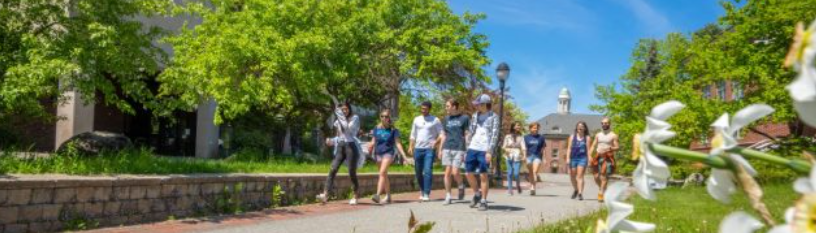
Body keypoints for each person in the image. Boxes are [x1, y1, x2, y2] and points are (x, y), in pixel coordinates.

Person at [317, 101, 362, 205]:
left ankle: (355, 195)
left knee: (351, 172)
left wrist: (341, 118)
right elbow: (340, 136)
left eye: (346, 109)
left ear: (349, 109)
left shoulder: (355, 118)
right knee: (333, 169)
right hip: (341, 146)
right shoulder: (338, 121)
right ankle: (325, 195)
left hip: (351, 146)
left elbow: (348, 130)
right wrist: (332, 141)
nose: (344, 111)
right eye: (342, 110)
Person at [465, 94, 500, 211]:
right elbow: (471, 131)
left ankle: (484, 201)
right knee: (468, 173)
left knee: (483, 175)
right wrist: (467, 147)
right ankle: (477, 194)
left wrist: (490, 151)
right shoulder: (475, 115)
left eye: (478, 104)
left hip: (485, 148)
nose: (476, 106)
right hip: (473, 147)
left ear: (485, 104)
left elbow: (495, 135)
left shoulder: (494, 117)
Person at [368, 109, 410, 204]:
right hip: (378, 153)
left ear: (389, 118)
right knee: (384, 174)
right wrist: (370, 145)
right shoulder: (376, 128)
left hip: (388, 153)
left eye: (386, 116)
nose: (384, 118)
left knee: (382, 172)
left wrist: (404, 156)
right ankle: (388, 196)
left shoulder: (393, 130)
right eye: (382, 116)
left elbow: (398, 143)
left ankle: (377, 195)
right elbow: (373, 140)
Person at [408, 101, 443, 202]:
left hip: (429, 149)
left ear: (429, 109)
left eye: (425, 109)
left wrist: (436, 142)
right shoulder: (417, 119)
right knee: (418, 171)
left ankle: (427, 193)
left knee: (427, 170)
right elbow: (413, 134)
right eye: (422, 108)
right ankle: (422, 191)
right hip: (418, 149)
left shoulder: (435, 120)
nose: (423, 110)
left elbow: (441, 134)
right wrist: (411, 146)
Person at [438, 99, 470, 205]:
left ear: (454, 107)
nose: (446, 108)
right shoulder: (446, 119)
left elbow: (467, 134)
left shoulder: (464, 118)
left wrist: (467, 150)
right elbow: (443, 135)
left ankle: (461, 185)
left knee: (455, 172)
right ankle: (448, 196)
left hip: (459, 148)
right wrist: (440, 149)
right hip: (447, 147)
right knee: (447, 172)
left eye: (447, 106)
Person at [588, 117, 619, 202]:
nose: (604, 124)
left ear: (609, 124)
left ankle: (601, 193)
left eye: (606, 123)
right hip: (598, 156)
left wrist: (611, 148)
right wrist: (589, 155)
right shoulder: (598, 135)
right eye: (602, 123)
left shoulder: (613, 135)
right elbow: (593, 145)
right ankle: (603, 189)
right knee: (596, 177)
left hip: (607, 157)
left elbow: (617, 147)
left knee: (603, 176)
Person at [566, 121, 591, 201]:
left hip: (582, 158)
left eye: (582, 126)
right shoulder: (572, 137)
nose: (580, 127)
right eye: (579, 126)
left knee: (580, 176)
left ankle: (580, 193)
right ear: (576, 128)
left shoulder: (587, 138)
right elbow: (569, 148)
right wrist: (567, 158)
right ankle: (576, 189)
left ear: (584, 128)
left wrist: (589, 159)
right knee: (572, 176)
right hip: (573, 158)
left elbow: (588, 150)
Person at [502, 122, 526, 195]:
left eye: (519, 126)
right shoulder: (507, 136)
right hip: (509, 155)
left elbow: (523, 147)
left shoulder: (521, 137)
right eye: (518, 125)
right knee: (509, 173)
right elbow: (503, 146)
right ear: (513, 127)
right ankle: (510, 190)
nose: (519, 127)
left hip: (517, 155)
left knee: (516, 173)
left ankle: (518, 185)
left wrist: (524, 156)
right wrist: (506, 150)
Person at [523, 122, 546, 196]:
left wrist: (544, 158)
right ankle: (531, 186)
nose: (535, 129)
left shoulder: (541, 137)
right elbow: (524, 148)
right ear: (530, 129)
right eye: (534, 128)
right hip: (528, 156)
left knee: (535, 172)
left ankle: (533, 188)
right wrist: (524, 156)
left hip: (537, 156)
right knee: (531, 173)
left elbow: (543, 149)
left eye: (537, 128)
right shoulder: (526, 137)